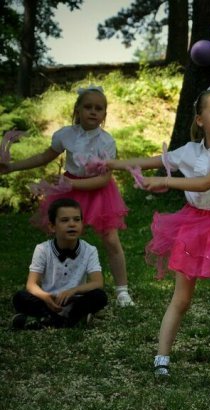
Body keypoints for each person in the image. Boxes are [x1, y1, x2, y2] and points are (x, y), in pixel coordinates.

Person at [108, 88, 210, 376]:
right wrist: (114, 164)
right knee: (182, 298)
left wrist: (164, 181)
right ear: (200, 119)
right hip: (192, 226)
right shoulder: (188, 151)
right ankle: (162, 357)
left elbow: (204, 184)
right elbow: (154, 161)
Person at [0, 85, 134, 307]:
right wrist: (12, 167)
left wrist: (72, 183)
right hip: (70, 189)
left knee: (111, 239)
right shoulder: (66, 135)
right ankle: (53, 285)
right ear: (77, 110)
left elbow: (103, 179)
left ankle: (122, 290)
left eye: (98, 109)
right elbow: (44, 156)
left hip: (98, 192)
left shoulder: (106, 141)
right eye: (88, 107)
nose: (93, 112)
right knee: (64, 238)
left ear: (104, 115)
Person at [11, 198, 108, 329]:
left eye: (76, 219)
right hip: (49, 301)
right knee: (20, 297)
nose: (72, 224)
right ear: (52, 226)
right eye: (64, 220)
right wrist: (45, 297)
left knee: (100, 296)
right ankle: (70, 321)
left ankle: (47, 321)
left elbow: (98, 282)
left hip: (75, 301)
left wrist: (73, 290)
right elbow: (31, 284)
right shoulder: (42, 249)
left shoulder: (90, 250)